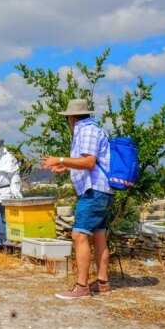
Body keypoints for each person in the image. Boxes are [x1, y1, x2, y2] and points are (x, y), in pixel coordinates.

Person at [40, 99, 114, 300]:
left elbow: (89, 162)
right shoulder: (92, 129)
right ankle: (102, 283)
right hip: (101, 190)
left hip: (93, 191)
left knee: (79, 235)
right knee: (99, 235)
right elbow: (91, 161)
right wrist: (67, 166)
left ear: (71, 117)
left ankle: (81, 287)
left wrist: (61, 159)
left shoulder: (87, 131)